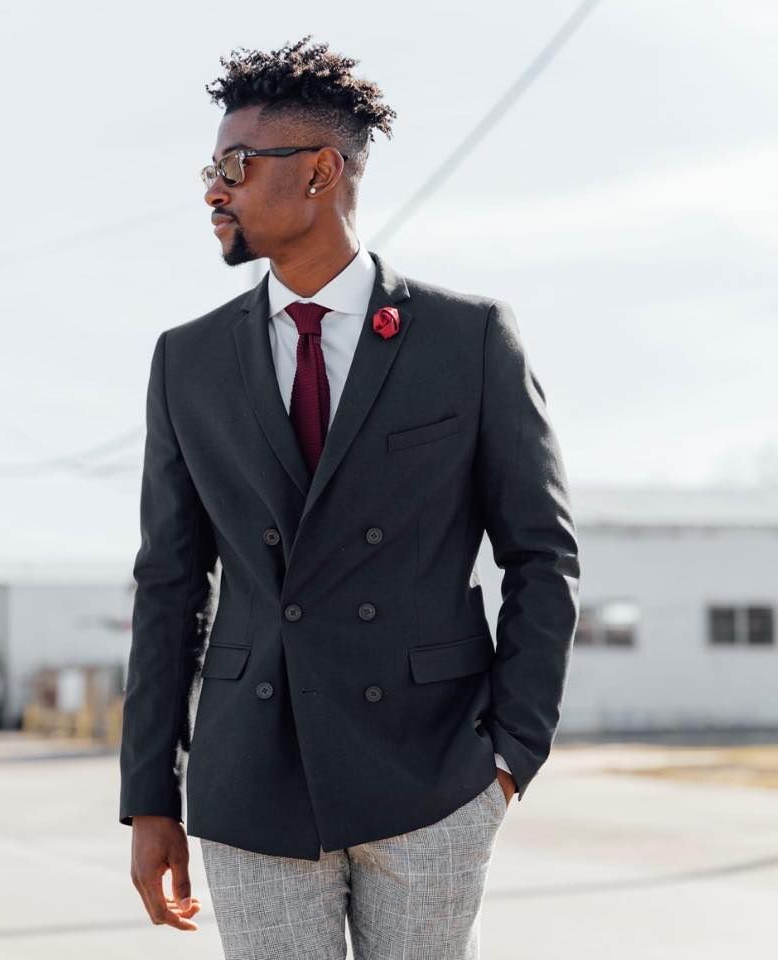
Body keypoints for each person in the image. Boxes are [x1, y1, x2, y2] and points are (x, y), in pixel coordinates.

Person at [119, 34, 580, 959]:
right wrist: (149, 797)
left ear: (323, 171)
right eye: (212, 168)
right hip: (252, 782)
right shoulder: (188, 362)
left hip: (432, 775)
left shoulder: (469, 339)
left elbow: (542, 554)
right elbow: (170, 583)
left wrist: (506, 760)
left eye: (236, 166)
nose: (214, 189)